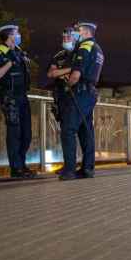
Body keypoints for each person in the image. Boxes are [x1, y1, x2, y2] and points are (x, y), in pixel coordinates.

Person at [0, 23, 35, 178]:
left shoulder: (19, 52)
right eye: (17, 33)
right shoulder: (0, 52)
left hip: (22, 96)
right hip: (10, 97)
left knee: (26, 133)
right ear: (9, 35)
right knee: (14, 133)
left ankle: (22, 164)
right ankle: (16, 168)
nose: (19, 35)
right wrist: (9, 64)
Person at [59, 21, 104, 180]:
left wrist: (67, 85)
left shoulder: (84, 47)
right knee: (86, 131)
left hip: (81, 91)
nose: (74, 34)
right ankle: (87, 169)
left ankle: (69, 170)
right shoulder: (98, 49)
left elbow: (76, 74)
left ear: (84, 32)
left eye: (77, 31)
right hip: (90, 92)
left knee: (68, 129)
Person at [46, 26, 78, 174]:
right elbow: (50, 74)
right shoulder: (58, 55)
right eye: (63, 37)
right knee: (65, 131)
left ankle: (79, 165)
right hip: (61, 97)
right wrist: (68, 70)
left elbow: (78, 73)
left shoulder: (79, 53)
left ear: (75, 37)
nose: (65, 40)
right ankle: (68, 164)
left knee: (76, 131)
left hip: (76, 96)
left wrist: (60, 72)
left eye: (68, 37)